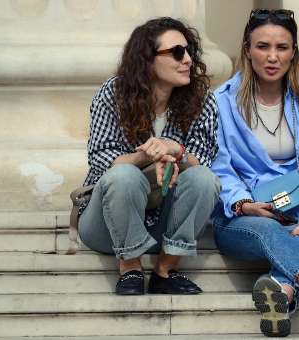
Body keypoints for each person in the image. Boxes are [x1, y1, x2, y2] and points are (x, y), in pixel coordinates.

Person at [211, 9, 299, 337]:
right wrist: (245, 203)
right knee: (268, 230)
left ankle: (282, 292)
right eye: (263, 47)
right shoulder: (221, 102)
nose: (272, 57)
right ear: (247, 49)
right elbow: (218, 165)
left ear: (294, 52)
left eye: (282, 47)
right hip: (240, 217)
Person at [77, 17, 220, 296]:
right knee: (124, 175)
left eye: (189, 50)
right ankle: (129, 267)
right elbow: (102, 160)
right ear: (147, 59)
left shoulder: (202, 98)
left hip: (163, 225)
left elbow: (203, 159)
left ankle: (165, 270)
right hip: (107, 223)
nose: (188, 59)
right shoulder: (114, 93)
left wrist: (175, 150)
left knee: (204, 178)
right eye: (177, 52)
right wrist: (147, 155)